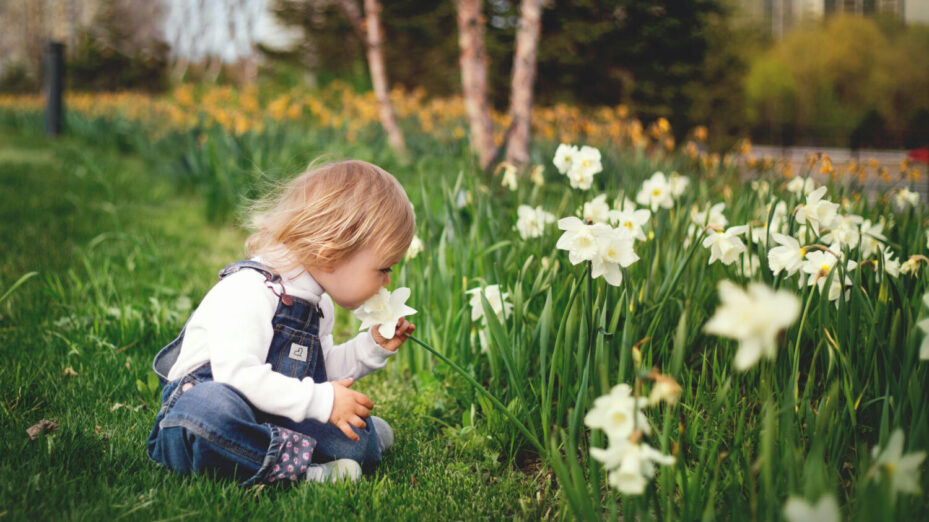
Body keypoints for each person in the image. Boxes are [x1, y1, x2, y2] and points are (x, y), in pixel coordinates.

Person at [147, 160, 416, 485]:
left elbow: (320, 371)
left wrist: (371, 347)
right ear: (332, 251)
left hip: (270, 408)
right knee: (208, 415)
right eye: (383, 268)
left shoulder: (318, 304)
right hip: (213, 405)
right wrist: (322, 401)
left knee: (357, 441)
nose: (386, 282)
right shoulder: (250, 290)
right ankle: (304, 473)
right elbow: (237, 377)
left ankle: (351, 443)